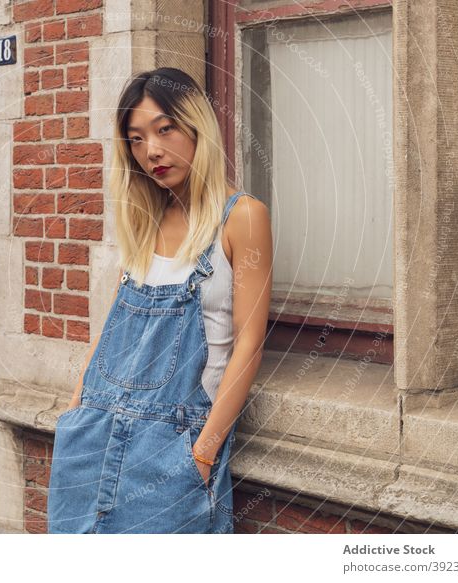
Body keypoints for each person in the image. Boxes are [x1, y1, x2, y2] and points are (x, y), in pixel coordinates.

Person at [46, 67, 273, 534]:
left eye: (164, 129)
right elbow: (112, 328)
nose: (151, 151)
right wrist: (75, 412)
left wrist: (203, 455)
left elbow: (249, 345)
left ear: (195, 126)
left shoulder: (242, 217)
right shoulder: (147, 217)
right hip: (92, 436)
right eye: (135, 139)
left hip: (171, 450)